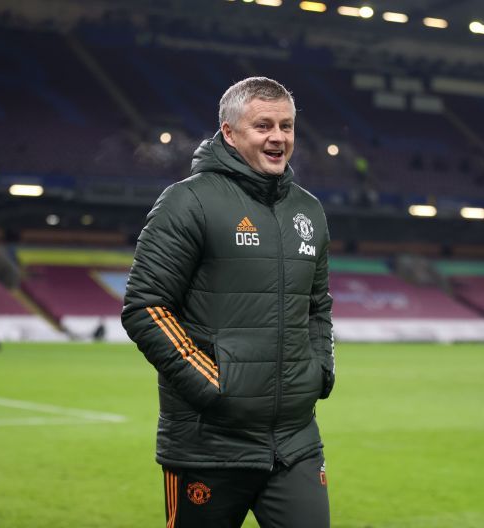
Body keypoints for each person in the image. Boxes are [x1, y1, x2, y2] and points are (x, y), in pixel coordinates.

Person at [122, 77, 335, 528]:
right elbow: (145, 305)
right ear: (230, 132)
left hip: (295, 442)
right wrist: (212, 385)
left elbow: (318, 306)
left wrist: (319, 369)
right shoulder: (187, 201)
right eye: (263, 126)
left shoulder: (309, 211)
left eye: (287, 126)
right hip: (209, 445)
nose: (278, 137)